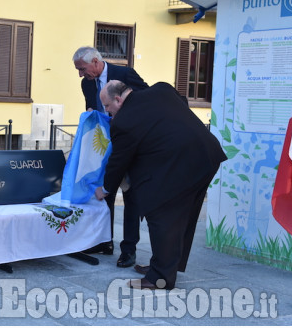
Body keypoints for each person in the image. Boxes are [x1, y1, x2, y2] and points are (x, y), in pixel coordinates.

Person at [97, 80, 227, 290]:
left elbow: (118, 162)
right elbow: (181, 103)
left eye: (107, 107)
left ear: (118, 100)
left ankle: (161, 277)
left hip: (181, 163)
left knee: (161, 214)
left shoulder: (123, 122)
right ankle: (166, 266)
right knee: (183, 215)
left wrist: (105, 189)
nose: (107, 112)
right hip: (207, 155)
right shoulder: (161, 89)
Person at [72, 46, 147, 269]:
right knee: (105, 192)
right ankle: (104, 242)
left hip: (130, 143)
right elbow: (93, 108)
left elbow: (146, 99)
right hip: (104, 146)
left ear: (95, 61)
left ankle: (128, 250)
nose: (80, 74)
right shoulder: (86, 83)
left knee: (130, 195)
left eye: (82, 68)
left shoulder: (125, 75)